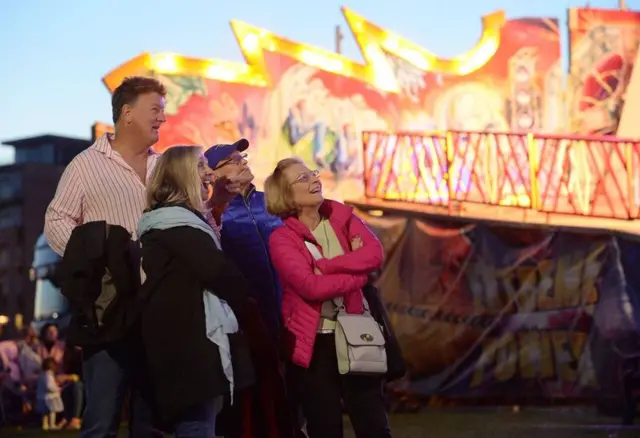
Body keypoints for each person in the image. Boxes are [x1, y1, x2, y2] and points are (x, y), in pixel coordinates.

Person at [43, 75, 168, 438]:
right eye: (155, 109)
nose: (163, 117)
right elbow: (56, 219)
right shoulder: (85, 165)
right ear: (127, 113)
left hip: (159, 303)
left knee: (153, 422)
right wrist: (94, 265)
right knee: (101, 419)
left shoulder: (165, 168)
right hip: (109, 307)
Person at [264, 157, 392, 438]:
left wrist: (328, 267)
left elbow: (374, 254)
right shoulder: (282, 238)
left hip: (357, 332)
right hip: (315, 344)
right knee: (325, 427)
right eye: (303, 178)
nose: (314, 179)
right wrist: (356, 273)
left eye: (312, 173)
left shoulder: (342, 217)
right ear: (285, 193)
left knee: (374, 424)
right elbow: (311, 287)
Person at [136, 145, 253, 437]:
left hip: (183, 345)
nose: (209, 173)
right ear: (181, 175)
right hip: (190, 350)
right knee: (197, 426)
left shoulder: (171, 223)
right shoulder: (179, 226)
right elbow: (221, 274)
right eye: (200, 166)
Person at [205, 141, 303, 438]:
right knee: (256, 400)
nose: (242, 162)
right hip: (246, 320)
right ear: (213, 175)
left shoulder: (273, 202)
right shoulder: (213, 212)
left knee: (297, 393)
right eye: (231, 160)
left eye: (241, 157)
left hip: (293, 311)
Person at [36, 323, 83, 430]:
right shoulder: (38, 348)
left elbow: (73, 370)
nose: (52, 334)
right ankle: (55, 421)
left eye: (54, 331)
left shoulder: (63, 347)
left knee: (76, 386)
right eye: (49, 331)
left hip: (62, 380)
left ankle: (74, 419)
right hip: (45, 381)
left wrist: (65, 377)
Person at [37, 357, 64, 430]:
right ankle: (52, 424)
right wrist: (57, 389)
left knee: (45, 413)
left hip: (42, 397)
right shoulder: (49, 375)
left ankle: (45, 425)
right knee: (52, 411)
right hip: (50, 397)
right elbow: (49, 386)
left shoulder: (42, 375)